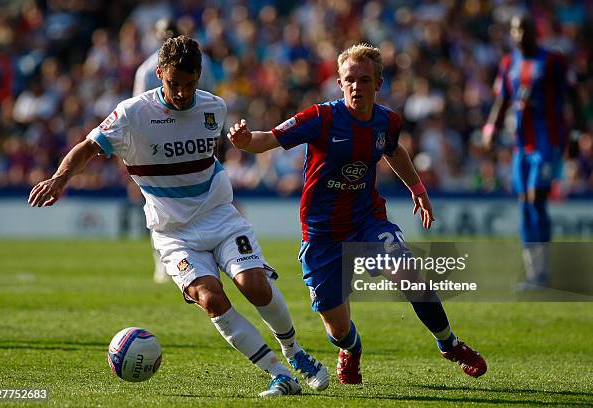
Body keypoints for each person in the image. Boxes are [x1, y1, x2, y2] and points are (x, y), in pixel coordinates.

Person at [28, 35, 328, 397]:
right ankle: (278, 373)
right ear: (159, 75)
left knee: (253, 283)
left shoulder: (214, 108)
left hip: (219, 216)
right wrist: (60, 179)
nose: (182, 93)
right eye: (173, 84)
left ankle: (295, 352)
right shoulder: (131, 114)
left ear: (200, 76)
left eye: (189, 84)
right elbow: (89, 147)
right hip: (173, 233)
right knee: (210, 298)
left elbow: (211, 160)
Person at [228, 43, 487, 384]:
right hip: (322, 234)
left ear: (378, 84)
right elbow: (269, 139)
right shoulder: (320, 118)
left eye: (365, 80)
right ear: (339, 82)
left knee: (407, 272)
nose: (356, 86)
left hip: (368, 221)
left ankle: (449, 343)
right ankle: (351, 349)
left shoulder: (387, 121)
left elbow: (393, 151)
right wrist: (245, 141)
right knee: (336, 327)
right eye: (350, 79)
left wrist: (417, 189)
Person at [482, 15, 586, 290]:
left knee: (535, 197)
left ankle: (542, 272)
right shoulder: (508, 63)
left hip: (547, 142)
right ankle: (533, 273)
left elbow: (574, 97)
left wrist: (575, 135)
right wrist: (491, 127)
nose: (519, 34)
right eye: (516, 29)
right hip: (521, 145)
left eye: (525, 29)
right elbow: (503, 99)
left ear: (534, 32)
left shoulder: (553, 60)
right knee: (525, 202)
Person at [133, 18, 216, 284]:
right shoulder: (147, 70)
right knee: (159, 205)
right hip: (159, 145)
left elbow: (210, 100)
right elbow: (138, 111)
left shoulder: (203, 64)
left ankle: (206, 251)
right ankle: (163, 258)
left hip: (194, 137)